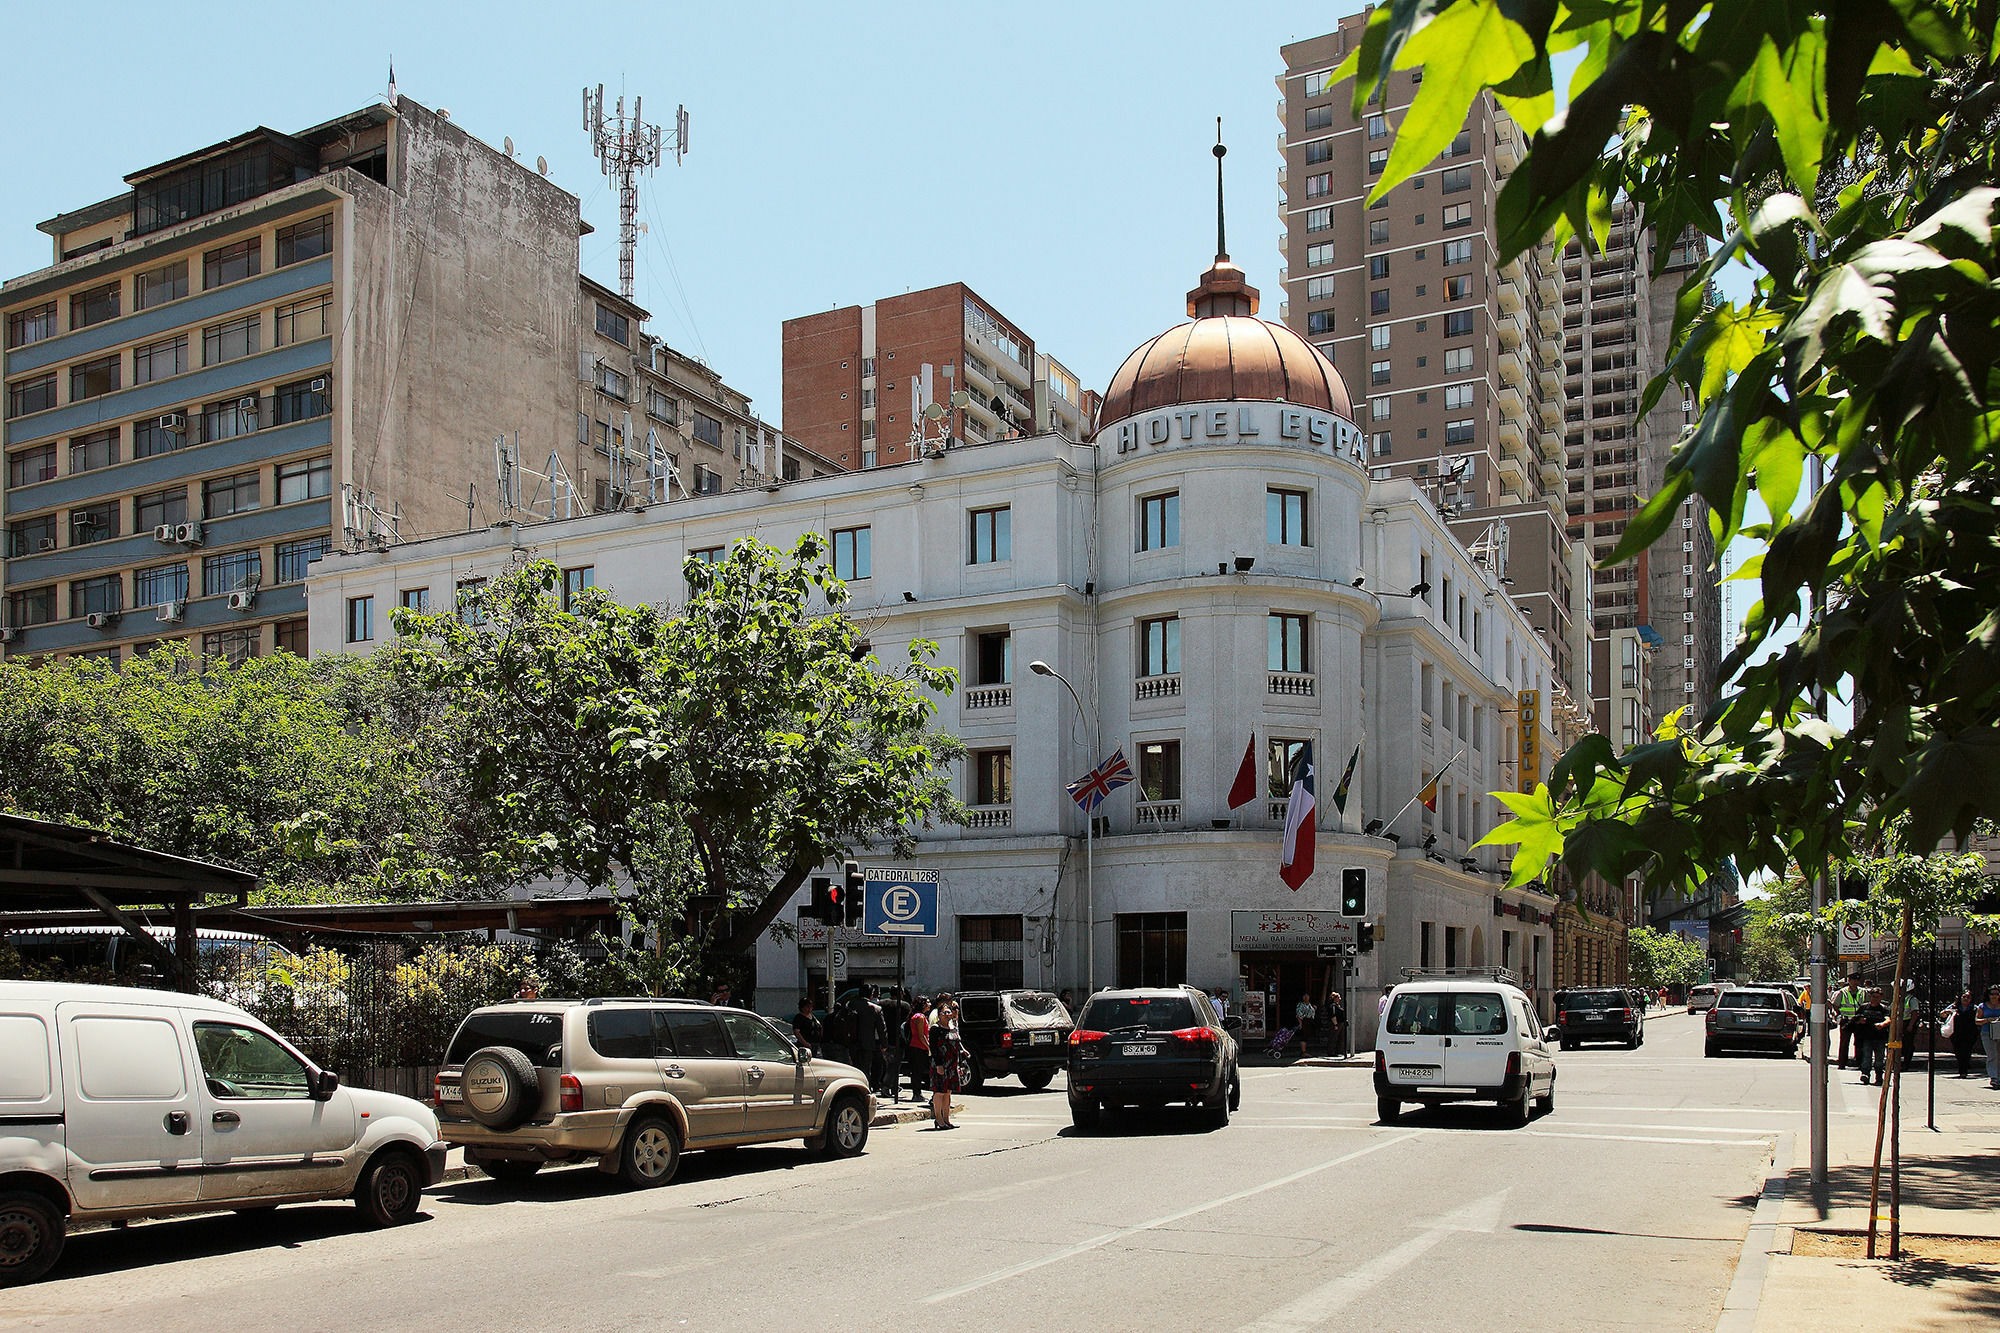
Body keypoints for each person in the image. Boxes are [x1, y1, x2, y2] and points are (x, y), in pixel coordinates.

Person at [928, 993, 963, 1128]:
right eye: (944, 1012)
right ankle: (939, 1119)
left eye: (949, 1012)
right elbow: (934, 1048)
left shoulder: (952, 1027)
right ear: (939, 1014)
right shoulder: (935, 1029)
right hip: (940, 1064)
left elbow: (956, 1042)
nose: (947, 1014)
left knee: (948, 1091)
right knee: (939, 1092)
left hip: (952, 1064)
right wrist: (938, 1065)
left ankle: (947, 1119)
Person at [1854, 987, 1892, 1086]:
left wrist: (1882, 1025)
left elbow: (1888, 1019)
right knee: (1867, 1057)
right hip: (1867, 1037)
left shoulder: (1884, 1008)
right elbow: (1855, 1019)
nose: (1875, 999)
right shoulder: (1864, 1007)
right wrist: (1860, 1021)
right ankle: (1865, 1074)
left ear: (1881, 997)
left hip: (1880, 1037)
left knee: (1879, 1058)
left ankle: (1879, 1077)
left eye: (1877, 997)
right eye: (1873, 996)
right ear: (1870, 997)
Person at [877, 987, 908, 1101]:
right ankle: (886, 1086)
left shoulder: (882, 1004)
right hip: (898, 1040)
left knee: (888, 1064)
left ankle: (893, 1086)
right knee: (894, 1065)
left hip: (885, 1038)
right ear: (901, 993)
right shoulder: (905, 1006)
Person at [1833, 976, 1866, 1068]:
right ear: (1849, 981)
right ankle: (1842, 1063)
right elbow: (1836, 1005)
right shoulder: (1843, 992)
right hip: (1846, 1020)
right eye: (1853, 980)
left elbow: (1867, 1004)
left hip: (1858, 1020)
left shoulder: (1863, 992)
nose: (1855, 982)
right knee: (1844, 1042)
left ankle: (1859, 1063)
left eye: (1857, 980)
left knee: (1859, 1043)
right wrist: (1840, 1014)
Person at [1948, 989, 1980, 1079]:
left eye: (1968, 997)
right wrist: (1945, 1013)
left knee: (1966, 1051)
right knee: (1958, 1052)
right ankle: (1962, 1066)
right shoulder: (1954, 1007)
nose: (1966, 999)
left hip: (1970, 1034)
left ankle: (1963, 1071)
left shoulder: (1974, 1008)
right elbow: (1943, 1013)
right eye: (1964, 997)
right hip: (1956, 1033)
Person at [907, 993, 931, 1100]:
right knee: (917, 1071)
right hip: (918, 1047)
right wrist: (928, 1047)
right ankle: (916, 1093)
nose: (930, 1004)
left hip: (917, 1046)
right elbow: (921, 1035)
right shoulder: (919, 1017)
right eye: (928, 1002)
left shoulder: (919, 1016)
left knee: (918, 1071)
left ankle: (917, 1093)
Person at [1977, 985, 2000, 1090]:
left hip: (1999, 1031)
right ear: (1988, 995)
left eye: (1997, 994)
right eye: (1992, 994)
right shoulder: (1982, 1006)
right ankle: (1994, 1077)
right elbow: (1977, 1021)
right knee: (1992, 1055)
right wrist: (1988, 1020)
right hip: (1987, 1032)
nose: (1994, 996)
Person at [1324, 991, 1346, 1057]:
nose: (1340, 998)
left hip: (1341, 1023)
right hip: (1336, 1023)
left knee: (1340, 1038)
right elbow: (1333, 1015)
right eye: (1338, 997)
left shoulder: (1337, 1005)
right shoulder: (1333, 1006)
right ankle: (1331, 1051)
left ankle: (1338, 1051)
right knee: (1333, 1038)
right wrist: (1335, 1024)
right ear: (1335, 998)